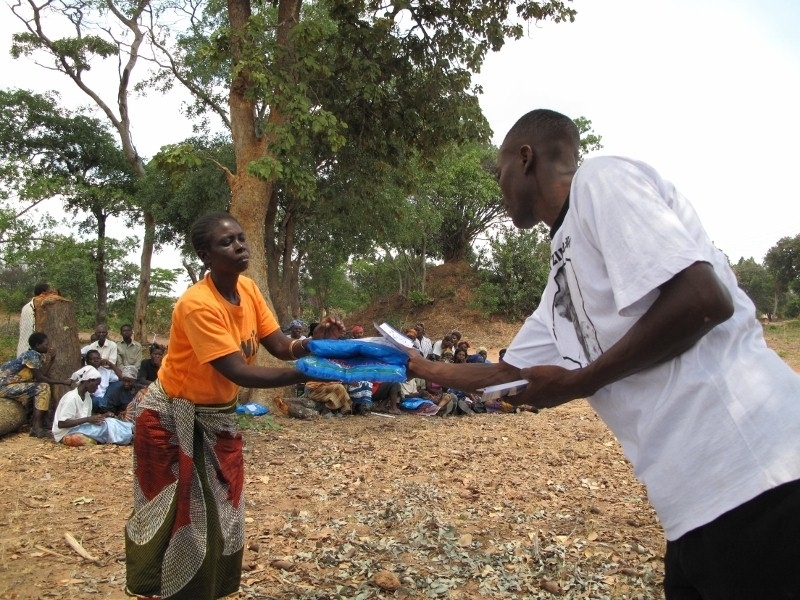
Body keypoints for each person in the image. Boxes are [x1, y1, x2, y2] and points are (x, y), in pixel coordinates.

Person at [408, 108, 800, 599]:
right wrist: (417, 364)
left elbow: (703, 300)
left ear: (525, 158)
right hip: (691, 510)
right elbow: (504, 373)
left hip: (760, 473)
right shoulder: (560, 275)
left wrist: (578, 382)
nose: (498, 184)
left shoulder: (601, 180)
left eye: (500, 169)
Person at [124, 211, 344, 600]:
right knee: (170, 515)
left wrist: (315, 344)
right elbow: (238, 371)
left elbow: (281, 345)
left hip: (216, 418)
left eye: (241, 238)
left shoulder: (248, 289)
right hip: (169, 419)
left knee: (220, 512)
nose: (240, 246)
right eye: (227, 242)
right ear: (205, 255)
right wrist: (306, 372)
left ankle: (205, 591)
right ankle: (155, 591)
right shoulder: (197, 304)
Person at [0, 332, 71, 438]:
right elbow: (40, 378)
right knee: (43, 387)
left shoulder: (38, 356)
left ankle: (41, 423)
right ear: (37, 345)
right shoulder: (31, 356)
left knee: (42, 386)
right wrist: (63, 382)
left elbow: (42, 375)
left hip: (11, 385)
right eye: (46, 344)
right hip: (3, 386)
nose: (48, 346)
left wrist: (51, 360)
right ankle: (36, 427)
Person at [53, 365, 134, 446]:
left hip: (79, 427)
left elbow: (86, 418)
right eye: (96, 385)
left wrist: (103, 416)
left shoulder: (87, 397)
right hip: (66, 432)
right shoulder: (71, 397)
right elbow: (62, 423)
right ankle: (129, 437)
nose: (97, 388)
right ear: (88, 381)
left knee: (109, 422)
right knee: (105, 428)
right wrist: (88, 419)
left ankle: (131, 431)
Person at [16, 282, 57, 358]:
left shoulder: (26, 307)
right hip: (30, 354)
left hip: (22, 350)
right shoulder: (40, 306)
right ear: (43, 293)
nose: (53, 296)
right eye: (51, 292)